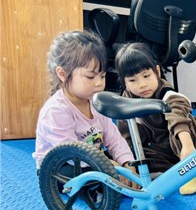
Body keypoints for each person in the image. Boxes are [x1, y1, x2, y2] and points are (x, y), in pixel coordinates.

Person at [33, 30, 136, 187]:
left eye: (102, 76)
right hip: (60, 165)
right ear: (62, 74)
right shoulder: (56, 110)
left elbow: (114, 138)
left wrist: (128, 163)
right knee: (98, 175)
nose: (99, 83)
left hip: (92, 157)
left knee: (124, 165)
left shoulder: (96, 102)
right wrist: (108, 166)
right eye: (90, 76)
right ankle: (100, 188)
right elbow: (70, 152)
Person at [114, 42, 196, 195]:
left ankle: (189, 172)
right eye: (133, 80)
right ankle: (182, 169)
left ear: (157, 72)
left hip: (189, 139)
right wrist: (129, 164)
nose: (142, 84)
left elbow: (177, 113)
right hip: (162, 147)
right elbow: (127, 138)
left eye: (146, 76)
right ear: (125, 83)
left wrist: (187, 146)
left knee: (178, 128)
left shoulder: (167, 93)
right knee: (138, 154)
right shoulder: (127, 102)